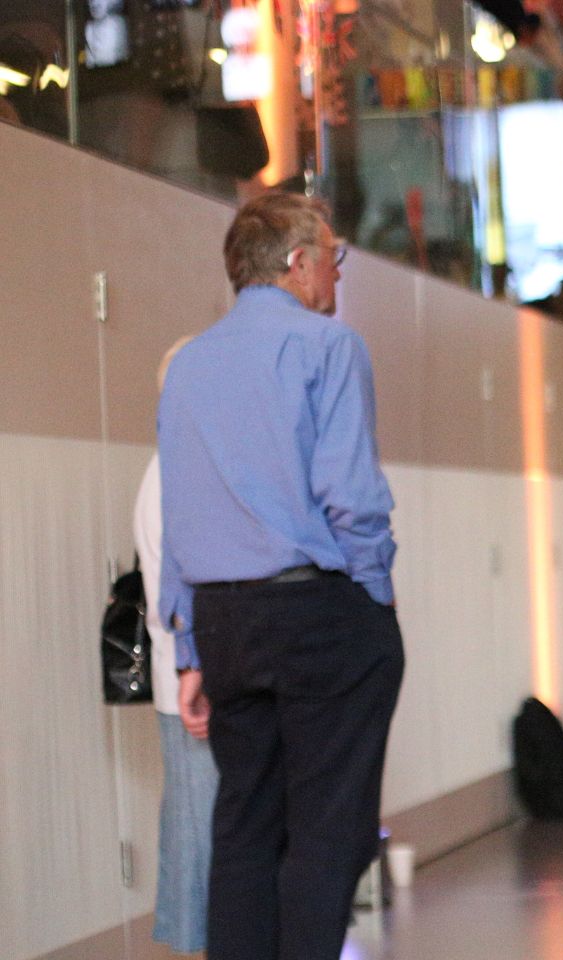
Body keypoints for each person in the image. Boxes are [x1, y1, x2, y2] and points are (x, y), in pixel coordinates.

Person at [159, 192, 405, 960]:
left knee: (245, 825)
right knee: (327, 832)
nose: (336, 275)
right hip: (317, 611)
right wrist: (375, 592)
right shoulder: (329, 349)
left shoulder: (187, 364)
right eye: (333, 258)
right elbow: (350, 496)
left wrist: (189, 645)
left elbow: (180, 510)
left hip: (224, 623)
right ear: (299, 264)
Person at [137, 337, 218, 956]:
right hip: (190, 689)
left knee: (198, 838)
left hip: (196, 682)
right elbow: (179, 597)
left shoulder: (179, 468)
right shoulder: (171, 475)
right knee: (200, 846)